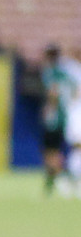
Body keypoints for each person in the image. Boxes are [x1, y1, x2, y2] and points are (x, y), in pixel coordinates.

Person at [43, 45, 79, 198]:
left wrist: (49, 109)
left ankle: (63, 181)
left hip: (54, 118)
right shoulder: (65, 73)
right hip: (66, 117)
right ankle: (52, 184)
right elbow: (75, 89)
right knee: (56, 151)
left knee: (51, 152)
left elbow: (53, 92)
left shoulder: (51, 72)